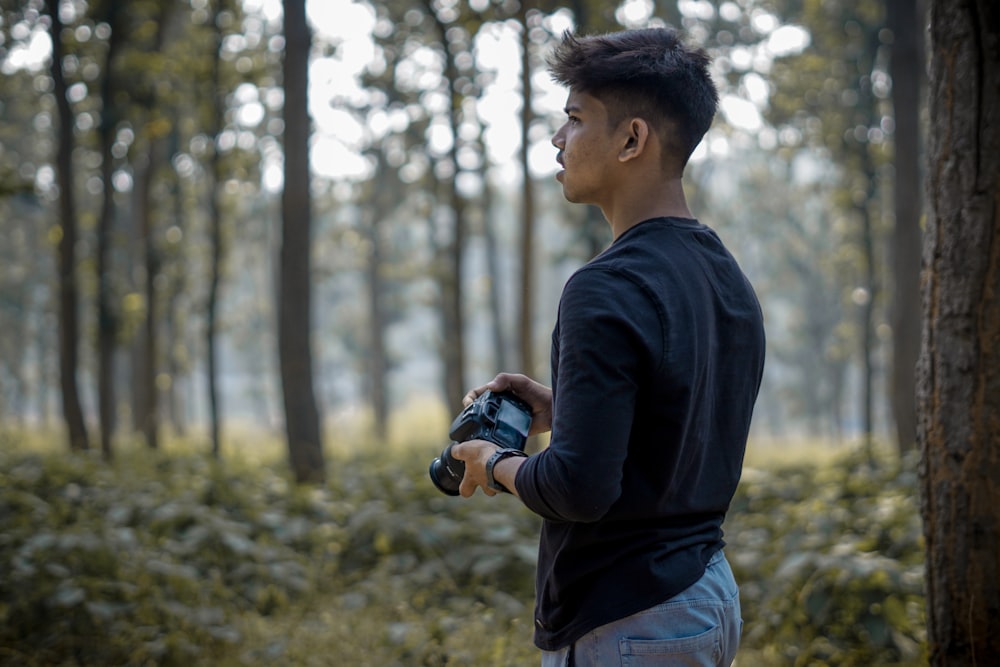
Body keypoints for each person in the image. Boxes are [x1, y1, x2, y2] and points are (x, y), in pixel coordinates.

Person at [451, 27, 765, 667]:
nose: (557, 138)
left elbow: (577, 489)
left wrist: (492, 460)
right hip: (704, 595)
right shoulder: (723, 274)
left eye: (573, 119)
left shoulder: (605, 287)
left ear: (632, 139)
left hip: (628, 621)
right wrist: (565, 408)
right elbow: (674, 430)